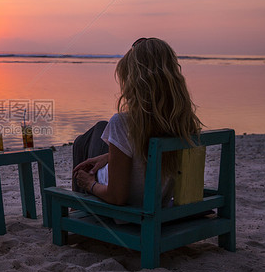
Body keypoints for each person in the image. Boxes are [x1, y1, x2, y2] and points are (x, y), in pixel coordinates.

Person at [72, 38, 202, 207]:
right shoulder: (184, 122)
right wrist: (109, 157)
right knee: (99, 129)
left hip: (128, 213)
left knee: (85, 140)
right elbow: (144, 158)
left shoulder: (123, 122)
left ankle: (79, 210)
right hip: (159, 203)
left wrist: (89, 184)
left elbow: (117, 197)